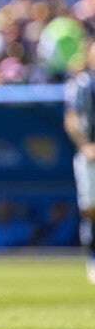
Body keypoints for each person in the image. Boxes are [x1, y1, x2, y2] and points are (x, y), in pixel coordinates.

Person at [65, 41, 95, 283]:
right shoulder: (81, 85)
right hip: (90, 154)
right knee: (90, 208)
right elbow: (72, 119)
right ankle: (92, 259)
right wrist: (85, 145)